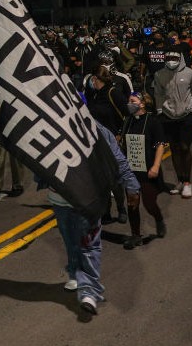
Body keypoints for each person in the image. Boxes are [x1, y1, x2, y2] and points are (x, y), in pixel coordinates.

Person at [49, 123, 139, 315]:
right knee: (70, 239)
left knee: (89, 243)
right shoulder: (47, 123)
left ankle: (89, 290)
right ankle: (74, 272)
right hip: (59, 199)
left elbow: (117, 158)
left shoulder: (95, 128)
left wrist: (131, 184)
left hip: (88, 198)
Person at [120, 92, 167, 249]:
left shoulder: (153, 122)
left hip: (148, 170)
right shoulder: (128, 121)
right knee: (132, 204)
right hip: (131, 170)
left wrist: (156, 166)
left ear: (142, 104)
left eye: (132, 100)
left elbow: (160, 144)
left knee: (149, 203)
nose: (129, 103)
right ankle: (135, 235)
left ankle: (158, 219)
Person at [153, 50, 192, 198]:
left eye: (174, 58)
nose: (170, 60)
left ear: (180, 58)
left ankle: (187, 182)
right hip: (168, 116)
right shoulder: (159, 74)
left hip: (186, 116)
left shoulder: (191, 74)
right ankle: (180, 180)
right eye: (168, 58)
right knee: (174, 149)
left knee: (185, 148)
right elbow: (158, 93)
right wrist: (160, 110)